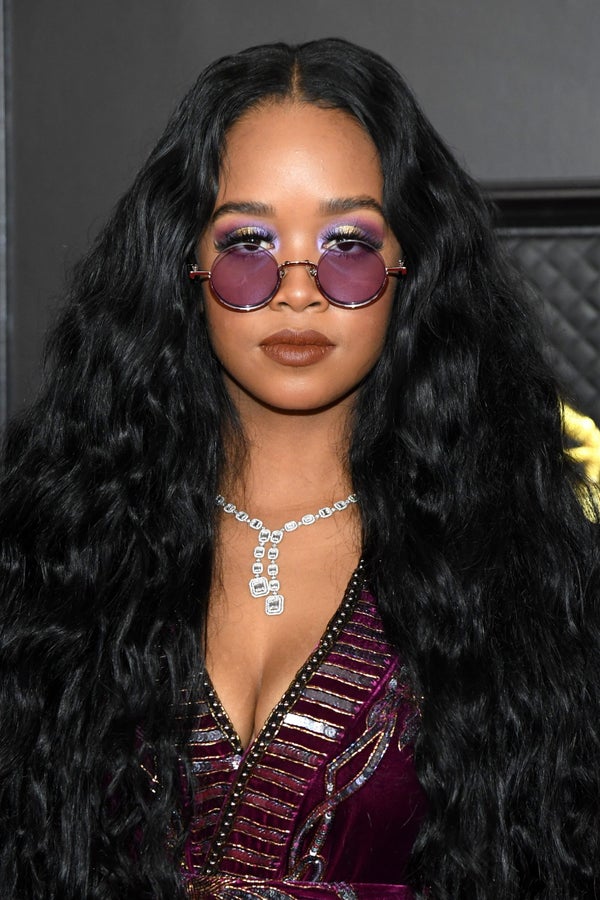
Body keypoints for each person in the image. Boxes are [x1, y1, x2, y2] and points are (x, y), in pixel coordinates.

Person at [0, 38, 599, 900]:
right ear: (185, 263)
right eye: (248, 242)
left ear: (410, 267)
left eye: (347, 243)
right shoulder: (52, 554)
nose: (297, 289)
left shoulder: (518, 570)